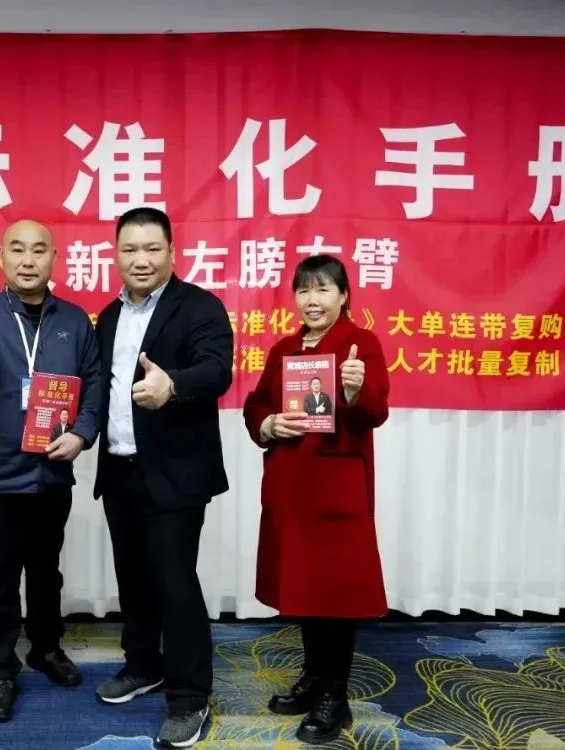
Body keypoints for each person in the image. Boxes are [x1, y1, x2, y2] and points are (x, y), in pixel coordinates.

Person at [92, 207, 233, 749]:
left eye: (152, 248)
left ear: (173, 252)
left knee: (175, 581)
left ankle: (190, 695)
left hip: (176, 473)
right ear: (116, 255)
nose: (141, 259)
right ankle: (143, 664)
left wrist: (171, 385)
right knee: (133, 578)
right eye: (130, 249)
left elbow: (217, 370)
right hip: (120, 467)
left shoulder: (199, 306)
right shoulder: (108, 316)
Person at [0, 219, 102, 722]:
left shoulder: (75, 320)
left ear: (54, 258)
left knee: (45, 572)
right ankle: (0, 668)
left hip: (52, 469)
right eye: (17, 250)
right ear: (0, 258)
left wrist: (82, 434)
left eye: (39, 250)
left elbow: (94, 383)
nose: (28, 260)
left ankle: (46, 648)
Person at [242, 254, 390, 745]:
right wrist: (268, 424)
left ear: (343, 296)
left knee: (335, 596)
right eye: (304, 290)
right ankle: (312, 675)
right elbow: (256, 403)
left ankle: (335, 695)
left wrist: (355, 390)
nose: (312, 299)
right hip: (291, 485)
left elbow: (376, 410)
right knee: (305, 591)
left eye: (323, 289)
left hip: (335, 489)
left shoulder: (360, 344)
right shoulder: (285, 348)